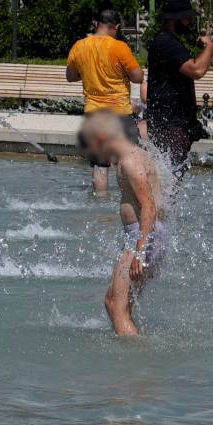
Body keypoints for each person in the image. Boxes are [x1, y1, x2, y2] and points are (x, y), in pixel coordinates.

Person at [79, 111, 169, 336]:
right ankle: (131, 348)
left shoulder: (130, 161)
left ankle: (136, 362)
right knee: (117, 303)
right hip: (145, 236)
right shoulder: (133, 157)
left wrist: (140, 251)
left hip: (144, 238)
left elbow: (149, 206)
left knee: (115, 305)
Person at [67, 10, 145, 192]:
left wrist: (89, 72)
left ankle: (99, 208)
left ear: (97, 24)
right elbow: (137, 77)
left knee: (100, 166)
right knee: (129, 159)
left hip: (94, 114)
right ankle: (128, 200)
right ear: (116, 27)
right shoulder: (119, 47)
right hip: (120, 113)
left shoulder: (79, 46)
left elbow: (70, 76)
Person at [145, 0, 213, 176]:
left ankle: (163, 205)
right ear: (174, 19)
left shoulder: (167, 41)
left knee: (171, 176)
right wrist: (209, 47)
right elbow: (196, 70)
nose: (190, 21)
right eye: (186, 17)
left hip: (171, 122)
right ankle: (161, 205)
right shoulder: (167, 43)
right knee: (170, 177)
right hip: (170, 124)